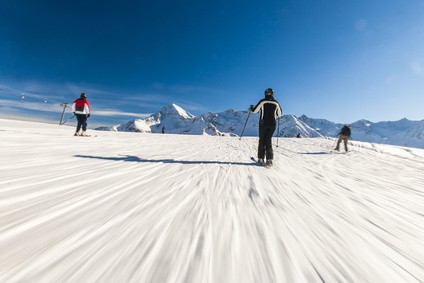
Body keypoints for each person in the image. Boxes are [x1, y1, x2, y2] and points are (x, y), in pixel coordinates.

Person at [250, 88, 282, 166]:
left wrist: (252, 108)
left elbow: (255, 111)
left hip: (263, 124)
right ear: (273, 94)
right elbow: (280, 114)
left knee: (262, 140)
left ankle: (261, 159)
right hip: (272, 124)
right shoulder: (276, 103)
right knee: (268, 140)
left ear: (265, 93)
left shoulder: (262, 101)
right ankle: (269, 160)